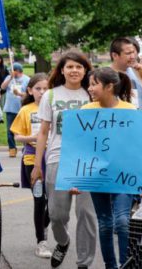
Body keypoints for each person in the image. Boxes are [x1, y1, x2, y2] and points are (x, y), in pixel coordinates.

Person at [30, 52, 97, 269]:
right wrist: (37, 166)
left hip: (88, 162)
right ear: (62, 70)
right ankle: (63, 241)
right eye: (70, 67)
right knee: (57, 214)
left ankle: (84, 262)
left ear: (86, 70)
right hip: (58, 158)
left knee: (86, 214)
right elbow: (43, 133)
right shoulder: (50, 95)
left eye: (79, 66)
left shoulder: (93, 95)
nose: (75, 70)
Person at [83, 67, 140, 269]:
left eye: (93, 84)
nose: (89, 88)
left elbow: (140, 148)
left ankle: (126, 264)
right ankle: (111, 266)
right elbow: (80, 148)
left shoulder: (130, 110)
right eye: (89, 84)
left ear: (109, 86)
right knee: (105, 223)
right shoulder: (86, 111)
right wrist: (75, 179)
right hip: (97, 174)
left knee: (123, 221)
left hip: (124, 174)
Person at [10, 73, 52, 259]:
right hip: (32, 160)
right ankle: (41, 241)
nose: (42, 92)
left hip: (53, 158)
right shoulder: (26, 110)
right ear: (30, 90)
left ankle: (43, 225)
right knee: (39, 199)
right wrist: (34, 138)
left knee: (55, 201)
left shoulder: (55, 108)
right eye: (38, 89)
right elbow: (17, 136)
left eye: (46, 88)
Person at [109, 37, 142, 111]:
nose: (133, 57)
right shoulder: (103, 76)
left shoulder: (138, 70)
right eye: (128, 53)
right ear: (115, 55)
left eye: (133, 52)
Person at [1, 62, 30, 158]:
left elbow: (30, 94)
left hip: (22, 109)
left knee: (24, 130)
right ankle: (12, 148)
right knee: (10, 130)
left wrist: (19, 94)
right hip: (10, 108)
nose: (10, 71)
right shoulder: (9, 78)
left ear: (17, 70)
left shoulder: (26, 79)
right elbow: (2, 87)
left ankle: (26, 147)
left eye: (11, 70)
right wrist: (10, 78)